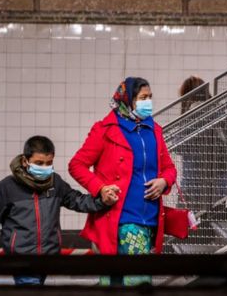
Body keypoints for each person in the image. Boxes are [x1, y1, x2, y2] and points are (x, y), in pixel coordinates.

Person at [69, 77, 177, 286]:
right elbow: (77, 165)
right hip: (120, 216)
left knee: (116, 281)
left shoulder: (154, 130)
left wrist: (164, 181)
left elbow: (170, 168)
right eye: (143, 98)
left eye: (150, 98)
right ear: (127, 100)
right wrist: (100, 188)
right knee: (136, 281)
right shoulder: (105, 129)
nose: (148, 103)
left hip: (150, 218)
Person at [0, 135, 119, 286]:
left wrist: (103, 200)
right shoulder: (6, 187)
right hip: (21, 260)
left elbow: (78, 201)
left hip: (48, 257)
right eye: (39, 163)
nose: (44, 167)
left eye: (48, 163)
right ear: (25, 161)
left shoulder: (55, 182)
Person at [178, 76, 227, 212]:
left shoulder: (191, 115)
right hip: (220, 183)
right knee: (213, 225)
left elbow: (179, 146)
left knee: (189, 227)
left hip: (194, 184)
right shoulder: (217, 112)